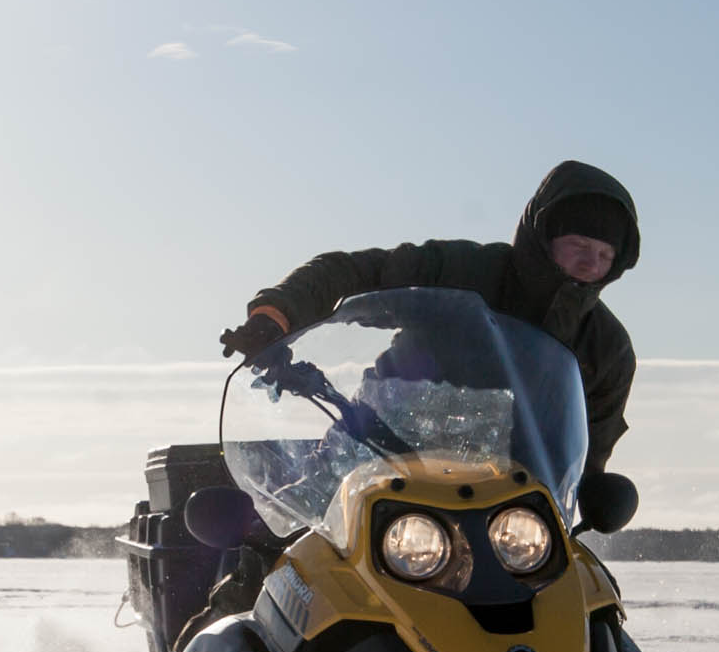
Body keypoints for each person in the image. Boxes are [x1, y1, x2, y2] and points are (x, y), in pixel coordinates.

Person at [217, 160, 640, 476]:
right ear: (545, 236)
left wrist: (592, 490)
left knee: (584, 589)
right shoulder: (462, 273)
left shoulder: (607, 347)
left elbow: (589, 447)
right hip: (377, 452)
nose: (591, 264)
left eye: (605, 255)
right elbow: (353, 273)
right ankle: (243, 580)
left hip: (511, 501)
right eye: (579, 245)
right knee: (300, 554)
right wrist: (276, 317)